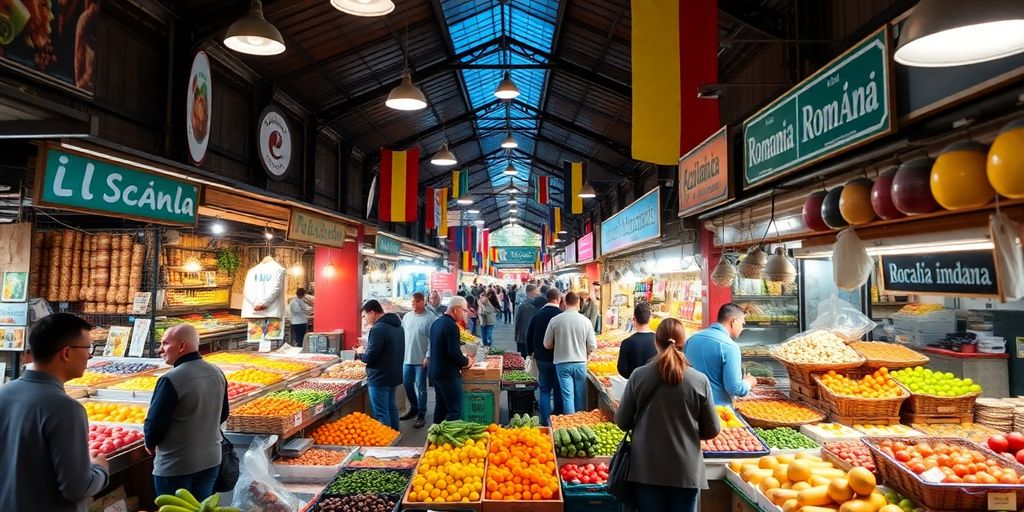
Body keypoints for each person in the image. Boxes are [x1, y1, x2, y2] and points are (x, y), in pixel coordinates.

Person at [0, 313, 109, 512]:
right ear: (66, 353)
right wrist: (100, 469)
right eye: (88, 348)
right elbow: (76, 488)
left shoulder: (3, 393)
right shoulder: (66, 409)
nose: (90, 356)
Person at [615, 318, 722, 512]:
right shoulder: (699, 381)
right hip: (685, 470)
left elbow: (621, 421)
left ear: (656, 342)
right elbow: (712, 429)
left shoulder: (639, 376)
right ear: (683, 343)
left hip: (646, 468)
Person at [145, 324, 229, 500]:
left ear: (182, 346)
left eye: (165, 343)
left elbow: (155, 423)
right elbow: (223, 414)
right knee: (201, 507)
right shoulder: (217, 372)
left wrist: (150, 443)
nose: (161, 349)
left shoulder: (171, 379)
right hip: (211, 460)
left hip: (176, 465)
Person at [684, 303, 757, 405]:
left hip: (690, 404)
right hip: (715, 410)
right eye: (742, 324)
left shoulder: (692, 339)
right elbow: (735, 388)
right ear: (733, 321)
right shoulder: (730, 347)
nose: (742, 328)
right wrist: (749, 381)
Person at [543, 291, 597, 414]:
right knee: (580, 397)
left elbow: (546, 344)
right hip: (580, 363)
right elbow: (592, 345)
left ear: (565, 302)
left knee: (568, 397)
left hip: (562, 364)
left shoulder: (555, 320)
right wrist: (586, 354)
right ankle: (580, 423)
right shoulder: (586, 321)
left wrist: (557, 346)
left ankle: (570, 425)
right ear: (578, 303)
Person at [358, 300, 405, 431]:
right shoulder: (398, 327)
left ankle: (386, 447)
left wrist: (360, 353)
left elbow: (369, 357)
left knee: (381, 413)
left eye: (365, 316)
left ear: (372, 313)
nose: (365, 319)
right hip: (394, 375)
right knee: (391, 407)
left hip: (379, 377)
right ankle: (396, 436)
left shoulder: (378, 329)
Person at [429, 296, 474, 423]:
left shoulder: (437, 323)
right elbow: (453, 353)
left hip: (436, 372)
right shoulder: (451, 326)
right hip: (448, 375)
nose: (465, 314)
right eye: (464, 311)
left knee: (441, 407)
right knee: (454, 411)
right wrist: (467, 362)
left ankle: (435, 437)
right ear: (455, 309)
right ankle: (450, 440)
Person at [526, 287, 564, 426]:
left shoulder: (537, 315)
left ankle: (545, 420)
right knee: (558, 389)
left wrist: (530, 353)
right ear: (558, 299)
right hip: (559, 359)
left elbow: (528, 336)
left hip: (541, 359)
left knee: (544, 389)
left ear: (547, 298)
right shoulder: (561, 315)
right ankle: (558, 418)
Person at [400, 292, 435, 428]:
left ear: (423, 302)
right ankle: (413, 408)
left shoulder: (430, 318)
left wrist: (428, 355)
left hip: (421, 360)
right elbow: (403, 335)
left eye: (416, 302)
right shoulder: (407, 317)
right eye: (412, 303)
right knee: (407, 385)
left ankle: (422, 413)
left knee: (421, 387)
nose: (414, 305)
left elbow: (433, 339)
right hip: (407, 359)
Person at [617, 302, 658, 379]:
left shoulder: (627, 343)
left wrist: (633, 378)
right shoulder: (659, 341)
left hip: (634, 386)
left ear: (634, 319)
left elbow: (622, 369)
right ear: (650, 319)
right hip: (655, 387)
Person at [513, 284, 540, 357]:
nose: (537, 293)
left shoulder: (522, 305)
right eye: (536, 291)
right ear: (531, 292)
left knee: (523, 359)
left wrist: (516, 335)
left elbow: (517, 321)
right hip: (527, 337)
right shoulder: (533, 305)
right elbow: (518, 322)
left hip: (522, 337)